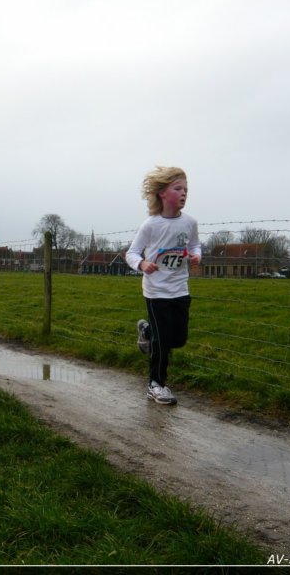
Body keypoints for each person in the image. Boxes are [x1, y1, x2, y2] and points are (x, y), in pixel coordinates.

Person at [125, 166, 201, 405]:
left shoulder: (190, 223)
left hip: (180, 289)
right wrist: (143, 264)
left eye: (186, 189)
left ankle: (146, 331)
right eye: (177, 188)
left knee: (178, 339)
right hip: (156, 292)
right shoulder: (151, 225)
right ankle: (156, 385)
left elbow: (196, 245)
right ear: (161, 193)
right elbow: (131, 253)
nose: (184, 193)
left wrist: (197, 256)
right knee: (162, 342)